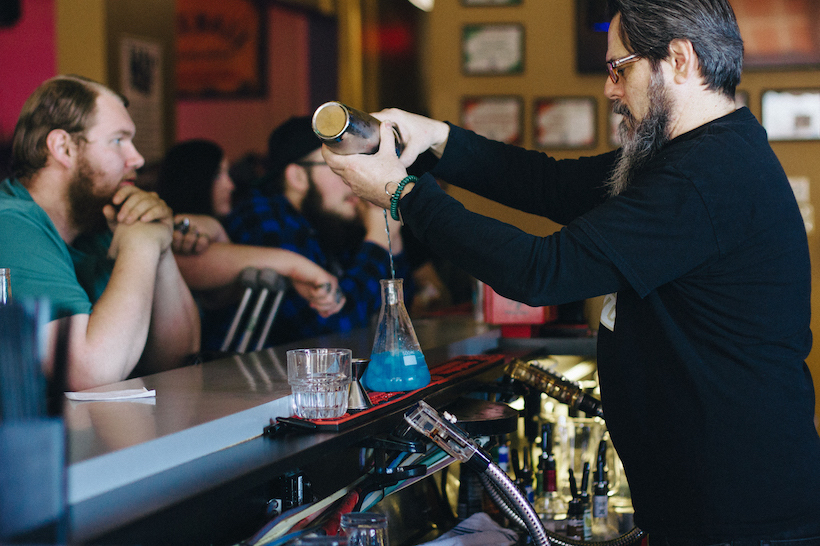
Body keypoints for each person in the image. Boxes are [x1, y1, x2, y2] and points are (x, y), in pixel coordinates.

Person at [322, 0, 820, 542]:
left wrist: (403, 193)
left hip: (743, 516)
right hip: (712, 500)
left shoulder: (706, 178)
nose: (610, 89)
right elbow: (549, 184)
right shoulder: (692, 156)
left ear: (679, 60)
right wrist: (436, 139)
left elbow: (541, 272)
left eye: (619, 68)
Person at [0, 75, 200, 391]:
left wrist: (157, 241)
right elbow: (89, 373)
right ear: (63, 147)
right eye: (118, 140)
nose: (137, 158)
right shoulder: (9, 226)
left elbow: (177, 359)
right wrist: (141, 245)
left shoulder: (97, 221)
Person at [223, 116, 410, 345]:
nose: (354, 179)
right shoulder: (263, 217)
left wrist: (393, 240)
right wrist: (379, 240)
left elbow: (399, 318)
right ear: (298, 177)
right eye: (340, 168)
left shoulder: (325, 219)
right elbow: (330, 331)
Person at [154, 139, 345, 350]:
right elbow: (185, 263)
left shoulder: (216, 228)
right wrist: (295, 266)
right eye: (219, 173)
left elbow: (220, 295)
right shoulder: (178, 233)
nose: (231, 185)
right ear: (194, 179)